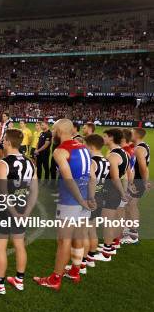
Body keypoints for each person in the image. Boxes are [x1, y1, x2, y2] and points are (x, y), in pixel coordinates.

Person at [34, 119, 95, 290]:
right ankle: (75, 271)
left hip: (70, 201)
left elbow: (68, 180)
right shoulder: (84, 148)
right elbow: (92, 176)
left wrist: (82, 200)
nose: (53, 133)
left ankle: (55, 279)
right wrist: (90, 197)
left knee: (63, 241)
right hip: (84, 200)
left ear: (60, 131)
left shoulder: (60, 151)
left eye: (54, 130)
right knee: (79, 237)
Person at [0, 129, 37, 294]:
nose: (3, 142)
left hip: (4, 210)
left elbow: (3, 192)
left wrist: (12, 211)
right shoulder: (30, 163)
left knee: (0, 247)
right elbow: (34, 190)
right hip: (22, 207)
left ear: (9, 142)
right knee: (20, 245)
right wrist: (26, 212)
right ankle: (19, 280)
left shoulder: (3, 163)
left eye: (4, 139)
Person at [94, 128, 129, 262]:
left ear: (111, 137)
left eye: (104, 136)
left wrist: (122, 193)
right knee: (110, 220)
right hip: (115, 191)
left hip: (111, 191)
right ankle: (109, 247)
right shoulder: (124, 153)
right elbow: (124, 175)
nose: (103, 139)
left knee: (107, 221)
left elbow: (114, 177)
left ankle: (106, 253)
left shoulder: (113, 156)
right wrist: (123, 191)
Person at [83, 134, 110, 265]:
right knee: (92, 228)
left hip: (92, 196)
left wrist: (90, 197)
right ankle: (91, 257)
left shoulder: (92, 161)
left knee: (84, 231)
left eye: (85, 146)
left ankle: (81, 264)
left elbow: (92, 179)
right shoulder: (105, 160)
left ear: (91, 146)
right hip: (100, 195)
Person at [123, 128, 150, 244]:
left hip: (137, 181)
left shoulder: (139, 148)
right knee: (129, 205)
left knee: (131, 205)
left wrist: (144, 182)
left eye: (131, 132)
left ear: (137, 135)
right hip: (136, 180)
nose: (129, 134)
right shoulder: (140, 146)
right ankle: (129, 230)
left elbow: (143, 167)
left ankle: (133, 234)